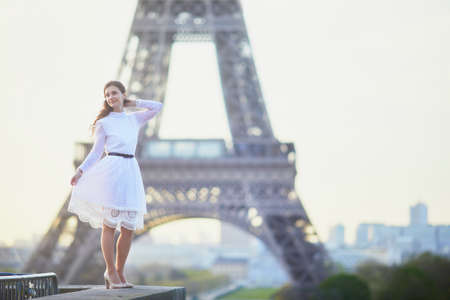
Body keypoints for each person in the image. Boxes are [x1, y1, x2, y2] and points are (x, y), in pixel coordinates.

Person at [68, 80, 162, 289]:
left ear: (123, 95)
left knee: (128, 229)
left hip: (130, 170)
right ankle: (110, 271)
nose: (111, 97)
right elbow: (96, 153)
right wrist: (80, 171)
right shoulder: (104, 123)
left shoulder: (134, 119)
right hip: (112, 170)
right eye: (107, 95)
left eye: (115, 93)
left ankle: (119, 271)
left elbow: (157, 106)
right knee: (109, 225)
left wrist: (132, 102)